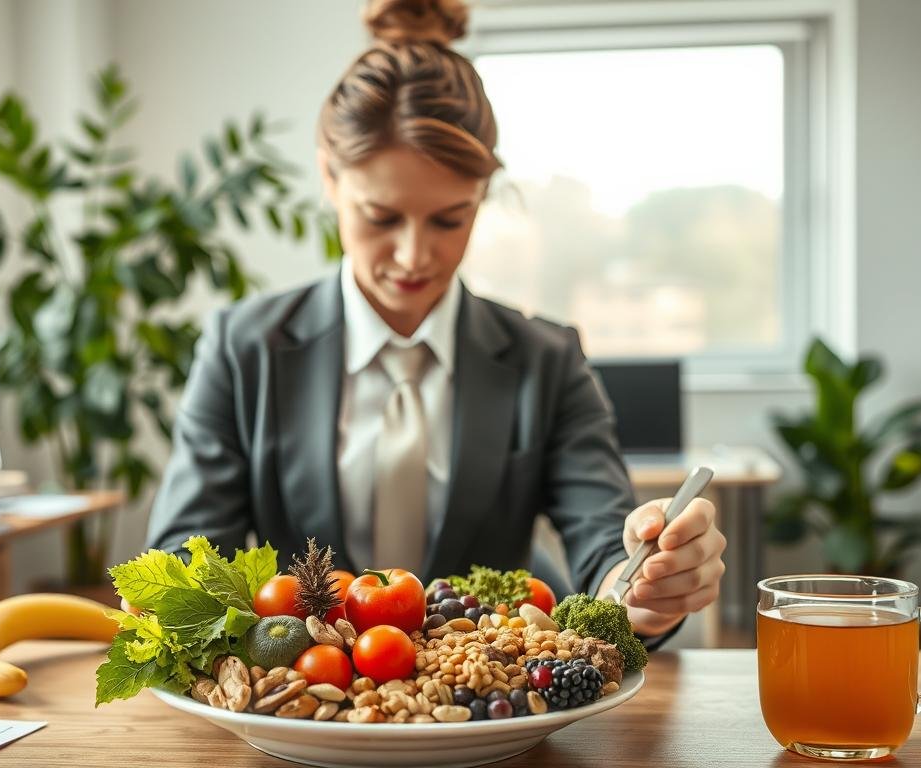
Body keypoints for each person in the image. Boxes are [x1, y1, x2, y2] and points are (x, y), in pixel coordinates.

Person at [144, 0, 726, 643]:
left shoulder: (546, 359)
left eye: (449, 219)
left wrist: (645, 590)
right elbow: (184, 567)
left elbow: (603, 553)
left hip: (491, 712)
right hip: (304, 705)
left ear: (483, 195)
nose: (414, 256)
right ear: (329, 177)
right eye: (382, 217)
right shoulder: (242, 349)